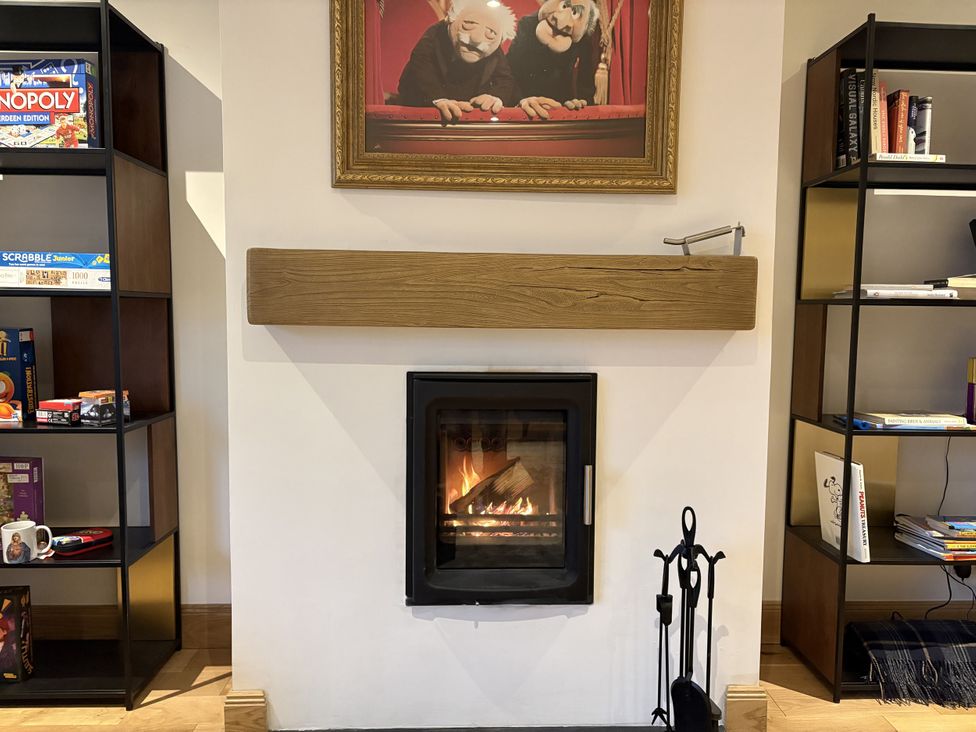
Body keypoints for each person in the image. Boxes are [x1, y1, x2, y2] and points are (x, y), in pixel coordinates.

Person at [396, 0, 518, 123]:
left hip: (470, 109)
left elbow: (505, 78)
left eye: (490, 32)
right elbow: (420, 65)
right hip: (425, 106)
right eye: (469, 23)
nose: (476, 39)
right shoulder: (436, 33)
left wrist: (495, 97)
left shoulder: (495, 49)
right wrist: (437, 98)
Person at [507, 0, 600, 119]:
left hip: (560, 104)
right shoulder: (528, 24)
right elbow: (510, 69)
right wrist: (520, 101)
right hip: (525, 104)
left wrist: (584, 109)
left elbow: (585, 80)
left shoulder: (582, 36)